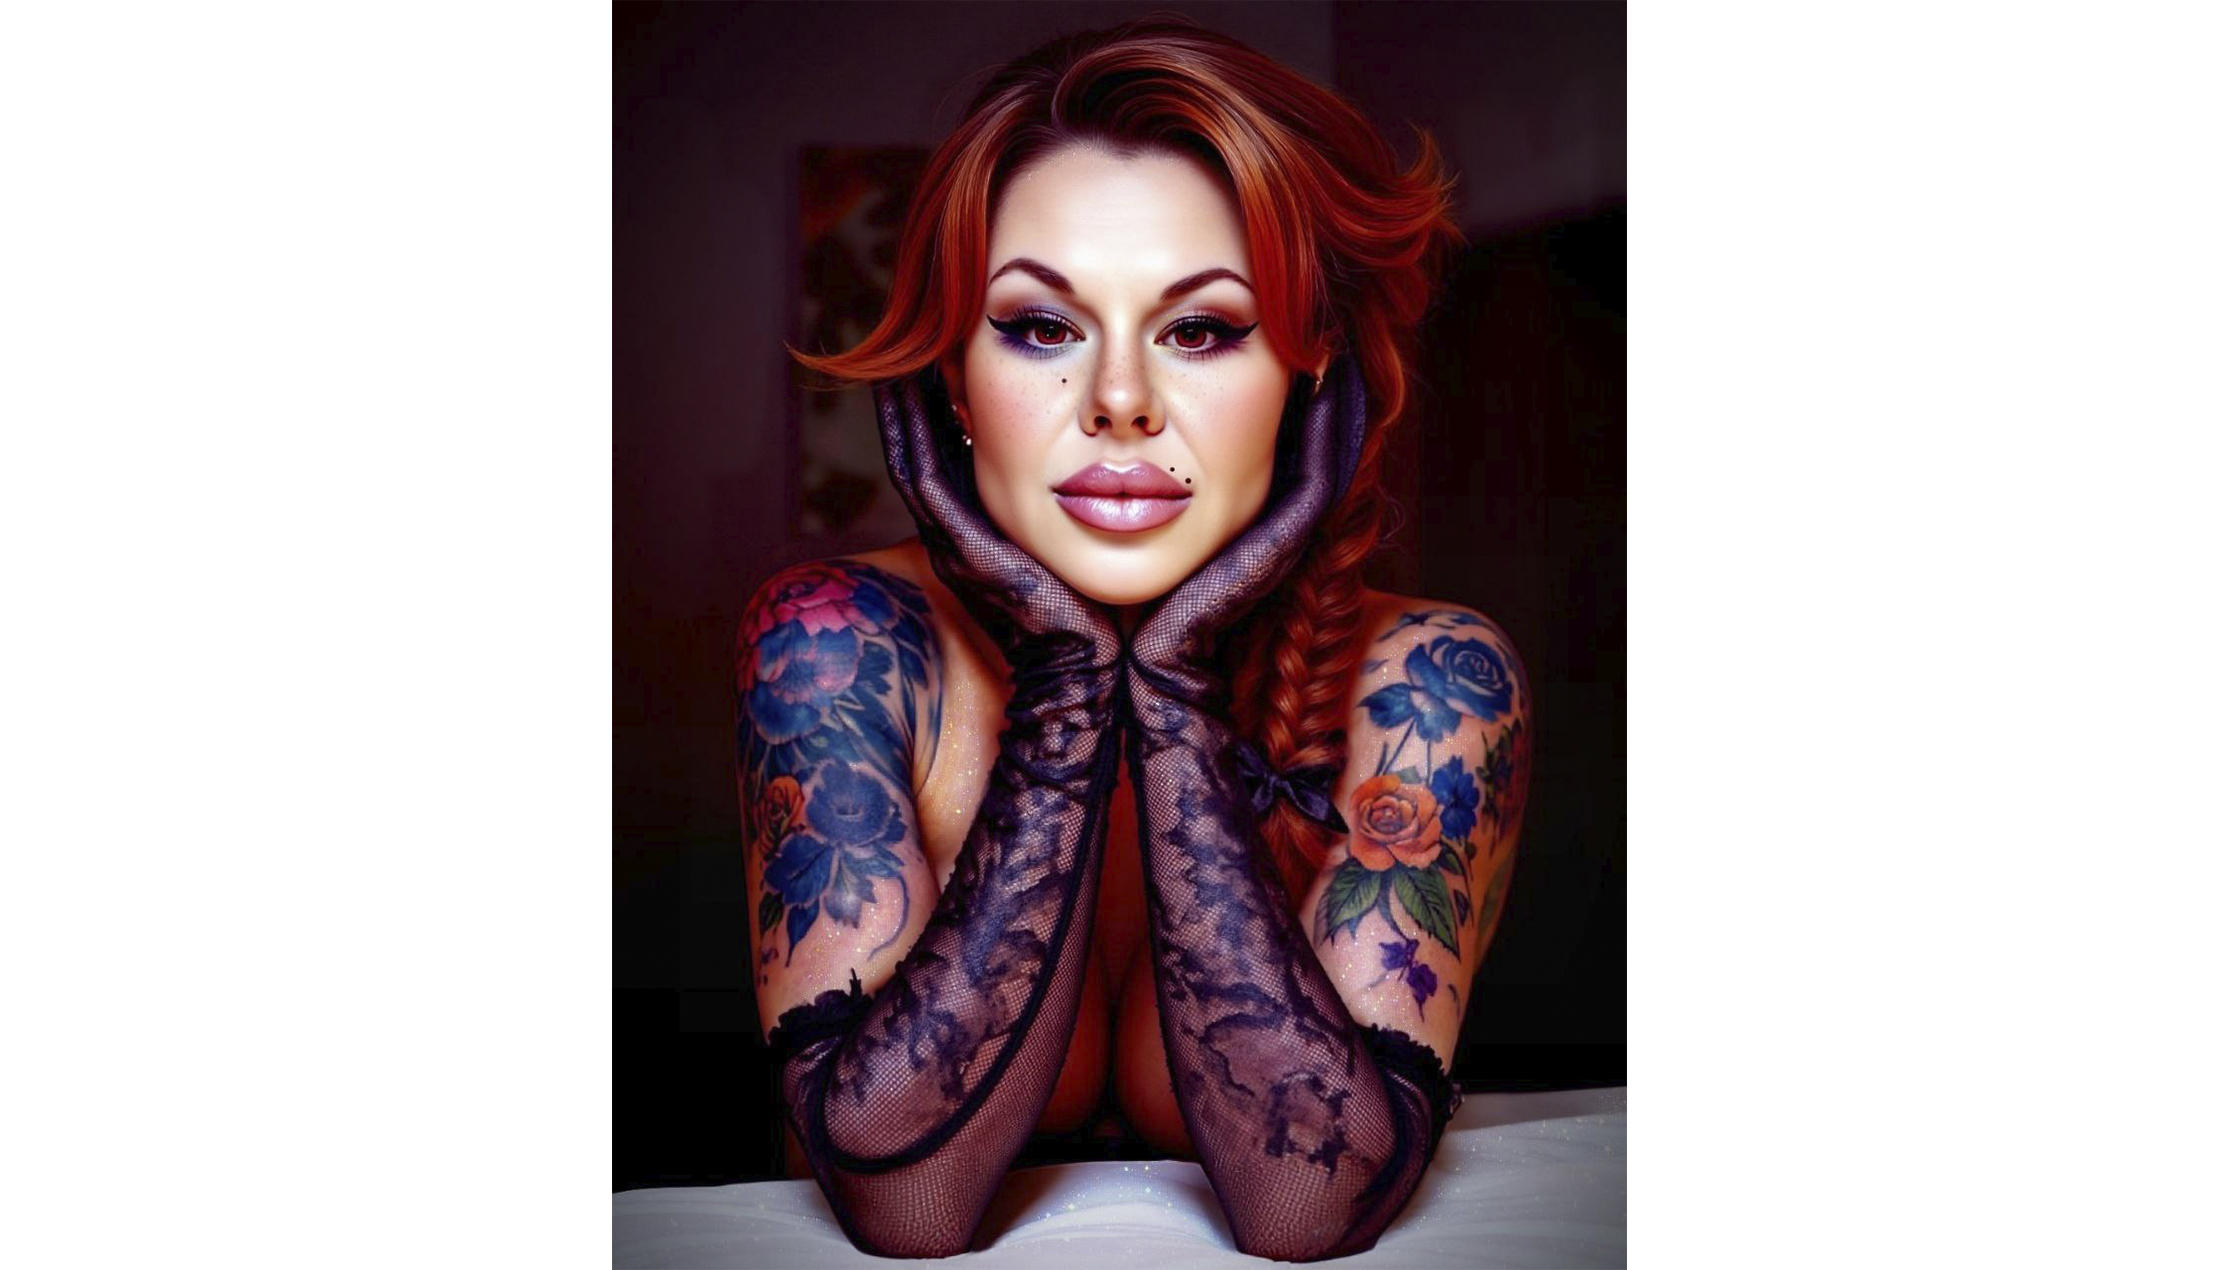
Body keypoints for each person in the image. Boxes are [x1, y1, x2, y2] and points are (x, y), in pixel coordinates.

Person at [735, 16, 1532, 1260]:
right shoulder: (835, 647)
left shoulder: (1430, 686)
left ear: (1311, 371)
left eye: (1201, 330)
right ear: (947, 377)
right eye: (1039, 327)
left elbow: (1307, 1208)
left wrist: (1165, 686)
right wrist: (1066, 689)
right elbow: (901, 1204)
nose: (1118, 399)